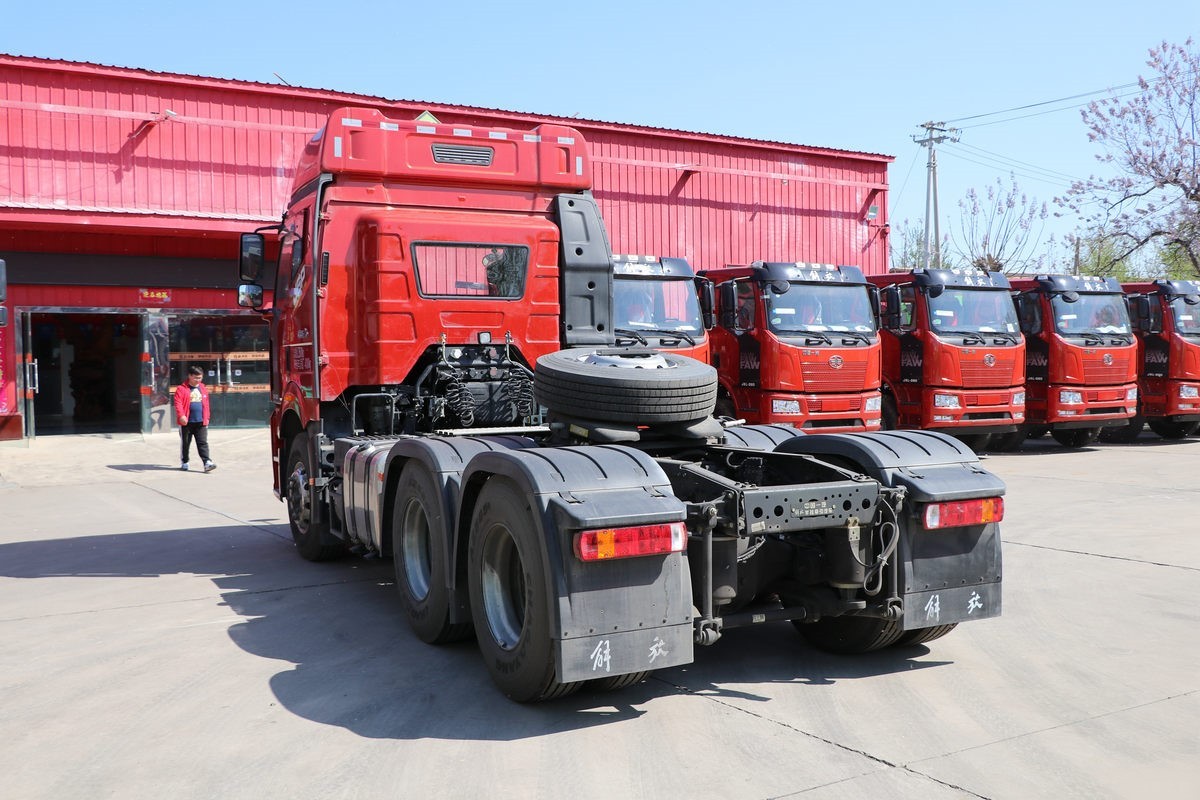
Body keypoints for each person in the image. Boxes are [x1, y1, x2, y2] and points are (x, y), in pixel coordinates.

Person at [175, 365, 216, 472]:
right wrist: (181, 415)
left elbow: (206, 404)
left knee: (202, 442)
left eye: (200, 378)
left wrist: (207, 417)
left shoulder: (202, 388)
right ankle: (185, 461)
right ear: (190, 376)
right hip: (187, 422)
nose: (198, 380)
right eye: (196, 378)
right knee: (185, 443)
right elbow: (178, 403)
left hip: (200, 421)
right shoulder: (181, 389)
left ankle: (207, 462)